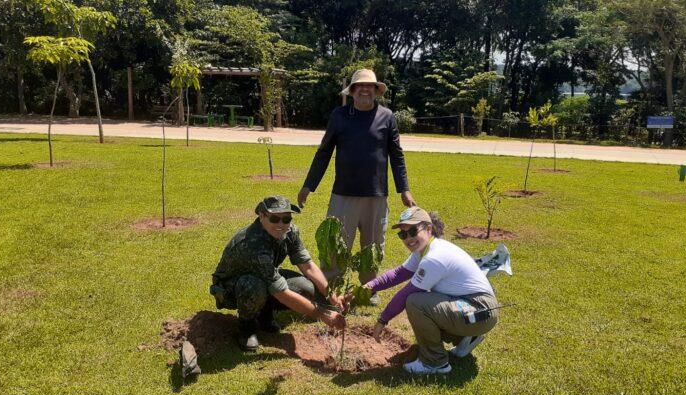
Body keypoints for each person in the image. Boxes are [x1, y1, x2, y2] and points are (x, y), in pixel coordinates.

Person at [298, 68, 416, 305]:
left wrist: (404, 188)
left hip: (376, 195)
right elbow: (324, 152)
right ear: (352, 91)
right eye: (360, 86)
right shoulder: (339, 116)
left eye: (370, 86)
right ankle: (330, 288)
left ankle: (367, 289)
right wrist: (308, 185)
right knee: (336, 244)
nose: (365, 89)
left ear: (376, 90)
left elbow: (397, 155)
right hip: (344, 194)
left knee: (372, 245)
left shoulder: (387, 117)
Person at [363, 207, 499, 374]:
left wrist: (382, 320)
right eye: (403, 234)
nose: (408, 238)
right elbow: (398, 274)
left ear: (429, 229)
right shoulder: (425, 250)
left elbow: (405, 293)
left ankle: (435, 363)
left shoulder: (433, 258)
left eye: (413, 231)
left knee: (416, 302)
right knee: (424, 299)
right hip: (478, 309)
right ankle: (466, 337)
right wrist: (369, 287)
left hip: (480, 310)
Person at [210, 195, 347, 351]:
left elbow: (308, 266)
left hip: (265, 275)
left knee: (306, 290)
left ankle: (264, 315)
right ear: (262, 216)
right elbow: (281, 292)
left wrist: (332, 296)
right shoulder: (253, 245)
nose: (281, 224)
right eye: (275, 219)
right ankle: (246, 328)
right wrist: (321, 314)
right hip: (233, 287)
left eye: (286, 218)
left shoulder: (290, 232)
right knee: (254, 287)